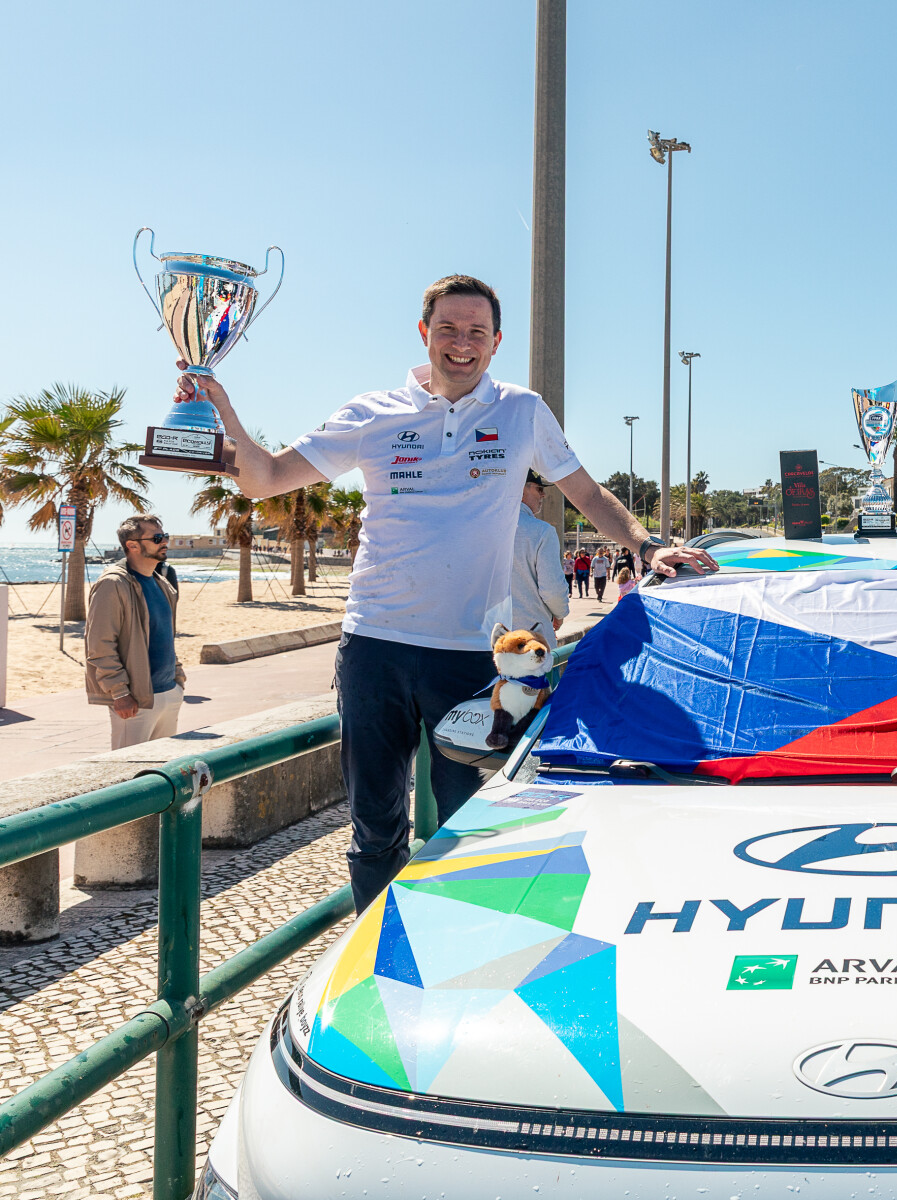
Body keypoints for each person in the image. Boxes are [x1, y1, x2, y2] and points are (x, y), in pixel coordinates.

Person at [173, 274, 717, 911]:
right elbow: (265, 479)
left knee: (475, 825)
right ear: (424, 333)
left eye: (477, 332)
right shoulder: (371, 413)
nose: (463, 343)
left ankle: (472, 942)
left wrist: (647, 547)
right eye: (449, 329)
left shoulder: (522, 411)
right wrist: (219, 410)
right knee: (375, 828)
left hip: (469, 655)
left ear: (497, 342)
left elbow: (587, 493)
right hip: (374, 646)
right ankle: (382, 948)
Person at [86, 515, 186, 749]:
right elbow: (99, 644)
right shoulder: (113, 584)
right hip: (135, 701)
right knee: (129, 767)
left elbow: (165, 636)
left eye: (165, 536)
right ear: (132, 545)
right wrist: (119, 692)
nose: (165, 542)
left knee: (163, 766)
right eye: (157, 538)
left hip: (169, 692)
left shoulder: (162, 583)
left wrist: (178, 679)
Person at [515, 470, 570, 639]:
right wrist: (559, 613)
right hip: (530, 637)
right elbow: (552, 590)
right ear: (521, 488)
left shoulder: (481, 528)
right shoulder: (542, 532)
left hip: (485, 639)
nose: (543, 495)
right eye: (539, 489)